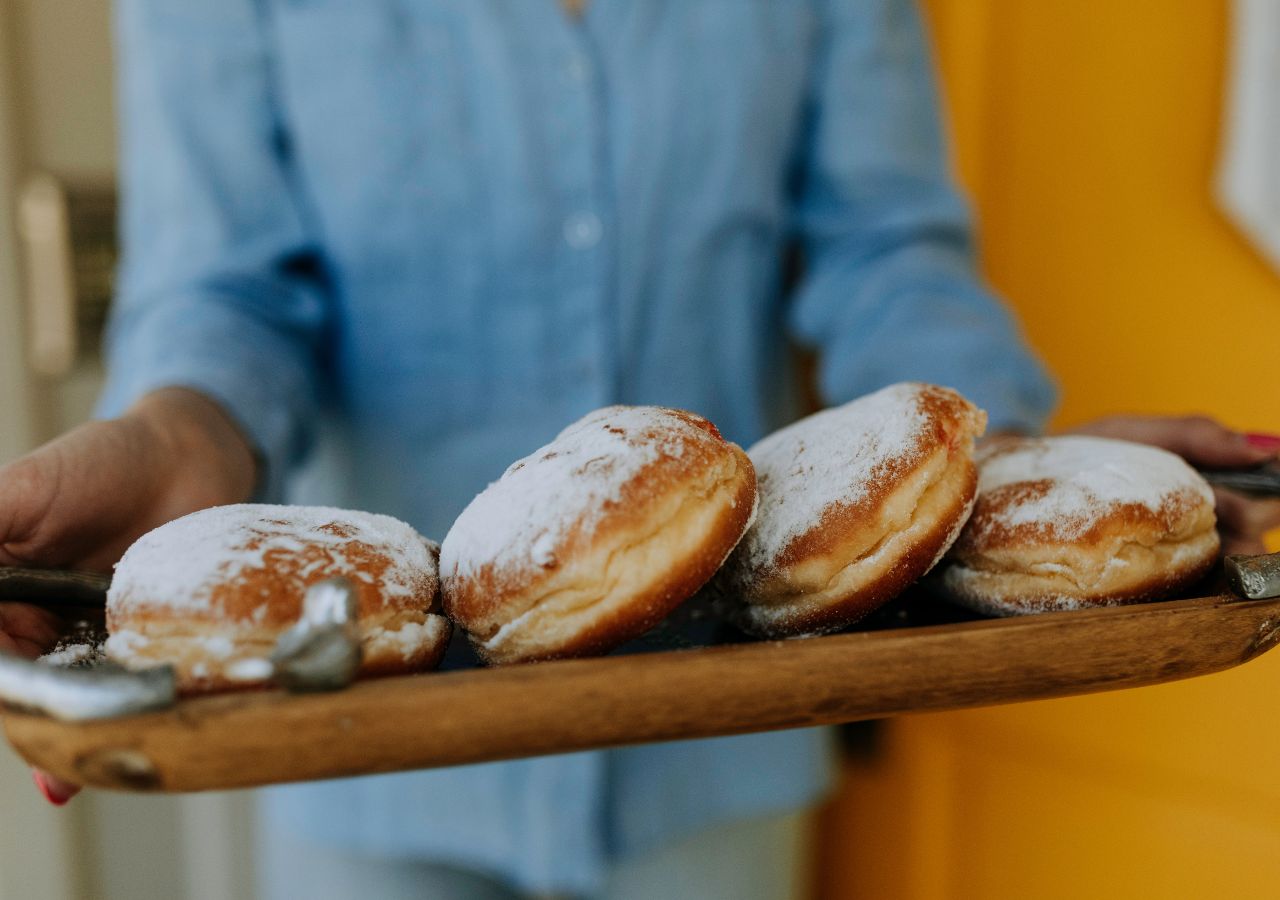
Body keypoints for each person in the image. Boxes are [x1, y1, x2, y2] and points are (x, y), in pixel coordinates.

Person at [2, 1, 1278, 897]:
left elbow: (881, 246)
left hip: (714, 726)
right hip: (363, 732)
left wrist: (994, 466)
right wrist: (173, 441)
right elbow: (230, 291)